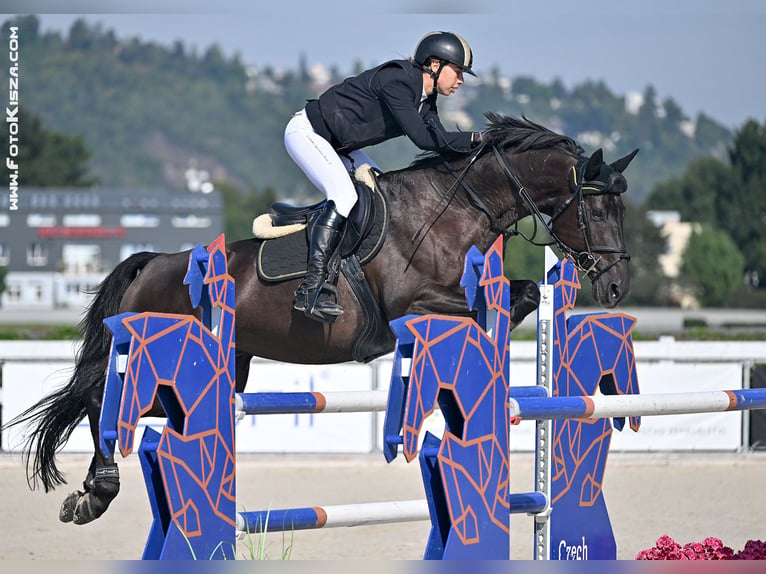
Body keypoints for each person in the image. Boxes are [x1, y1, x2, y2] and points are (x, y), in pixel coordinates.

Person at [285, 31, 483, 323]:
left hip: (340, 147)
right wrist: (478, 137)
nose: (461, 81)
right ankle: (310, 289)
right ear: (435, 64)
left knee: (382, 192)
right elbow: (423, 139)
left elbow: (440, 139)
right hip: (308, 134)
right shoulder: (398, 81)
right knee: (344, 195)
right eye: (458, 71)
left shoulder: (425, 100)